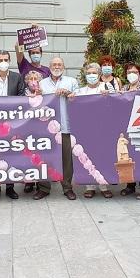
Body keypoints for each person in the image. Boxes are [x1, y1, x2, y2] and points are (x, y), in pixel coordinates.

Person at [0, 50, 26, 199]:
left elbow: (21, 97)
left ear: (10, 60)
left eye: (5, 59)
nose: (3, 62)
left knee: (11, 154)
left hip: (11, 123)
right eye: (0, 60)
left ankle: (10, 187)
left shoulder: (17, 77)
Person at [34, 57, 79, 200]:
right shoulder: (42, 83)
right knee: (45, 158)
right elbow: (36, 103)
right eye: (54, 64)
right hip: (46, 129)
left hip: (66, 126)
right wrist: (37, 95)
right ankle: (43, 188)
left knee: (67, 159)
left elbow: (79, 99)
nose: (57, 66)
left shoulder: (71, 82)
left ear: (64, 67)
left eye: (59, 64)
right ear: (49, 67)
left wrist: (69, 94)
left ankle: (67, 188)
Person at [74, 63, 113, 198]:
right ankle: (89, 186)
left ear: (99, 74)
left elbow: (117, 102)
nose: (92, 75)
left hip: (103, 127)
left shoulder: (106, 87)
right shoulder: (80, 91)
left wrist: (109, 95)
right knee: (87, 156)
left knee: (103, 156)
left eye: (94, 73)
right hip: (86, 128)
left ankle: (104, 185)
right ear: (85, 75)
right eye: (89, 73)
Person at [119, 63, 140, 199]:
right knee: (128, 155)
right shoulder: (124, 88)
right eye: (129, 72)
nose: (131, 74)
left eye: (134, 72)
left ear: (139, 74)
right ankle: (130, 186)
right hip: (126, 126)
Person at [23, 70, 44, 194]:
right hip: (26, 128)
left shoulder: (44, 93)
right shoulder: (22, 94)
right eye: (30, 79)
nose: (33, 81)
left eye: (35, 79)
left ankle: (41, 181)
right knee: (27, 154)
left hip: (41, 128)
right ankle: (29, 182)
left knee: (41, 155)